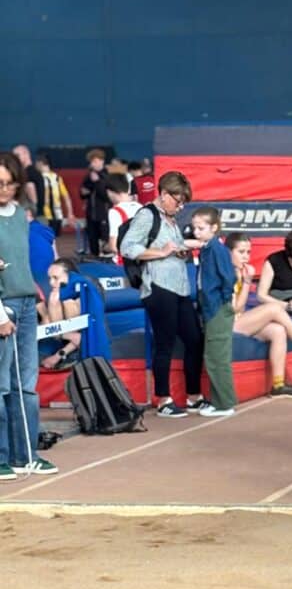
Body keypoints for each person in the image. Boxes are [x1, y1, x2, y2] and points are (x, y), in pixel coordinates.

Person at [120, 170, 206, 418]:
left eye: (183, 203)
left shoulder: (170, 218)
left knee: (194, 339)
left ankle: (193, 396)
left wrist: (178, 250)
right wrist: (161, 253)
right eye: (177, 201)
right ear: (164, 194)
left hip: (179, 287)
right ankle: (163, 399)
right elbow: (128, 248)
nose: (180, 207)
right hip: (158, 288)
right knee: (165, 344)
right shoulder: (147, 215)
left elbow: (169, 246)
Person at [0, 152, 58, 475]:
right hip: (3, 306)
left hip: (24, 304)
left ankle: (27, 454)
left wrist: (36, 299)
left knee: (27, 387)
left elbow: (21, 266)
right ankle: (2, 457)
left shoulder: (21, 214)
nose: (4, 189)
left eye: (9, 184)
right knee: (1, 385)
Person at [226, 233, 292, 398]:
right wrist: (248, 282)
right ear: (228, 252)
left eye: (248, 252)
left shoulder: (240, 271)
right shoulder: (226, 273)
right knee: (274, 309)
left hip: (239, 321)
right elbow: (235, 308)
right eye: (241, 252)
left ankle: (278, 385)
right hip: (225, 323)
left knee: (278, 331)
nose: (246, 257)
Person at [188, 207, 237, 417]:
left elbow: (228, 277)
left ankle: (224, 404)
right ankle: (219, 401)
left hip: (217, 307)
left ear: (214, 228)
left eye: (201, 228)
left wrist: (223, 300)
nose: (196, 232)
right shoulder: (208, 248)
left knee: (217, 356)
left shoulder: (217, 249)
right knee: (213, 356)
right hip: (210, 306)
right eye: (194, 228)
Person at [35, 152, 74, 237]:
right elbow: (66, 197)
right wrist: (70, 212)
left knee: (44, 238)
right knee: (53, 239)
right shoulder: (57, 178)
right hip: (57, 214)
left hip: (43, 214)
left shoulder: (38, 178)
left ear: (40, 163)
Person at [80, 148, 110, 257]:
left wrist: (97, 182)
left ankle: (107, 260)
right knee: (92, 239)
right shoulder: (89, 176)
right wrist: (84, 191)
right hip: (91, 214)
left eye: (95, 161)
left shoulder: (107, 175)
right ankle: (95, 259)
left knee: (105, 239)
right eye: (92, 162)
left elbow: (106, 195)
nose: (93, 164)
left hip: (103, 213)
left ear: (102, 161)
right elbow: (83, 192)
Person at [105, 173, 142, 260]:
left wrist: (106, 247)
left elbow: (113, 247)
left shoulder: (114, 212)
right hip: (140, 260)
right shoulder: (140, 207)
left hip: (122, 263)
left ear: (111, 192)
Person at [12, 145, 46, 222]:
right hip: (38, 216)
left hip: (33, 218)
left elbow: (31, 191)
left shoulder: (28, 173)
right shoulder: (35, 172)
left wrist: (32, 213)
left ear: (26, 154)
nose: (15, 159)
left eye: (17, 155)